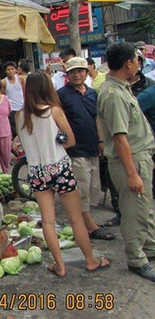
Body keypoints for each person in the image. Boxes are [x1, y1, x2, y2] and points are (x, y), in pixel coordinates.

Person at [16, 72, 110, 276]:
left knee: (47, 220)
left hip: (37, 172)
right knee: (76, 219)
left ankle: (60, 265)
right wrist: (57, 142)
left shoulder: (20, 115)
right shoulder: (54, 111)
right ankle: (91, 260)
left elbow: (23, 144)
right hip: (59, 169)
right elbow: (70, 140)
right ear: (47, 88)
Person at [98, 42, 155, 282]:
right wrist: (132, 174)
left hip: (139, 158)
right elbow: (119, 138)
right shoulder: (113, 94)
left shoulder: (121, 88)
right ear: (128, 63)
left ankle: (149, 248)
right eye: (136, 60)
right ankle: (136, 259)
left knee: (145, 209)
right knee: (134, 213)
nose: (138, 65)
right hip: (130, 161)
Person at [57, 57, 115, 241]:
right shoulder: (61, 95)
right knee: (81, 188)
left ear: (86, 72)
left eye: (80, 71)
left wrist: (101, 141)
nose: (77, 75)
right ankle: (89, 226)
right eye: (73, 72)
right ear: (67, 75)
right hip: (74, 150)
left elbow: (97, 118)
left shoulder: (92, 94)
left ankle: (82, 221)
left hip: (93, 148)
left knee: (92, 188)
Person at [1, 61, 25, 137]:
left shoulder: (21, 79)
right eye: (8, 69)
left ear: (15, 70)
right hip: (11, 109)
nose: (10, 71)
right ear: (5, 71)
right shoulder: (3, 82)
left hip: (22, 107)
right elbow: (3, 96)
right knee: (14, 129)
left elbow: (24, 92)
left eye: (12, 69)